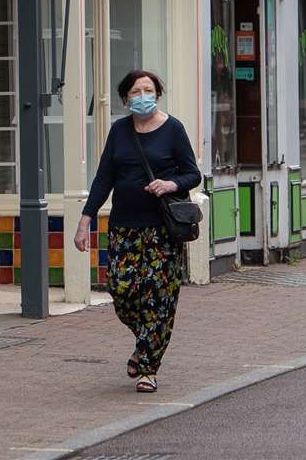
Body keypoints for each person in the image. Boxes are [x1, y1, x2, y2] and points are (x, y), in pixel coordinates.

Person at [73, 69, 201, 394]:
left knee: (160, 299)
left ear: (157, 95)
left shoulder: (173, 129)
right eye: (135, 91)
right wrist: (86, 219)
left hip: (162, 232)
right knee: (123, 291)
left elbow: (192, 174)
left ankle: (148, 368)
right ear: (126, 97)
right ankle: (146, 342)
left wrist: (171, 183)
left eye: (148, 90)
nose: (142, 96)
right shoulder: (119, 131)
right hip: (124, 229)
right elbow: (104, 178)